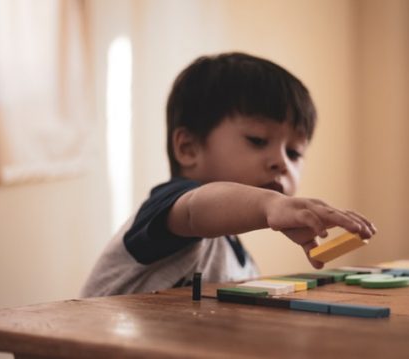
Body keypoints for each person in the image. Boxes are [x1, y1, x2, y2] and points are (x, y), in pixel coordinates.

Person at [81, 52, 376, 297]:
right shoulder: (172, 210)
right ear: (189, 148)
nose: (281, 162)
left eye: (295, 152)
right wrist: (268, 204)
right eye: (258, 140)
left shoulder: (242, 264)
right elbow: (198, 209)